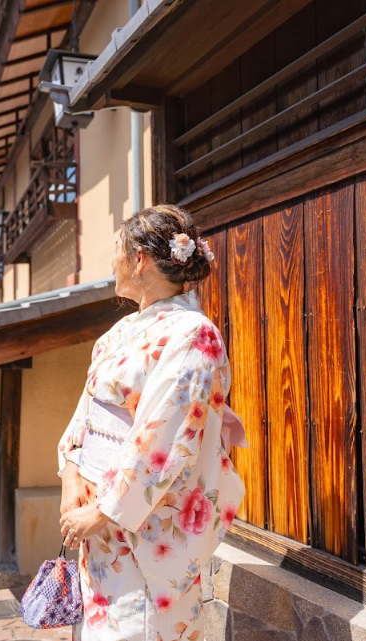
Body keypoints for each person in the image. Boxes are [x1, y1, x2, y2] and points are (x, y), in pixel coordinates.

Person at [56, 205, 246, 640]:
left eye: (118, 252)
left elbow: (166, 436)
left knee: (140, 627)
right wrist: (70, 473)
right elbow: (86, 411)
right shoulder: (122, 332)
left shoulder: (194, 335)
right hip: (95, 517)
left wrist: (105, 511)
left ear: (139, 259)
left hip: (141, 522)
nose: (113, 263)